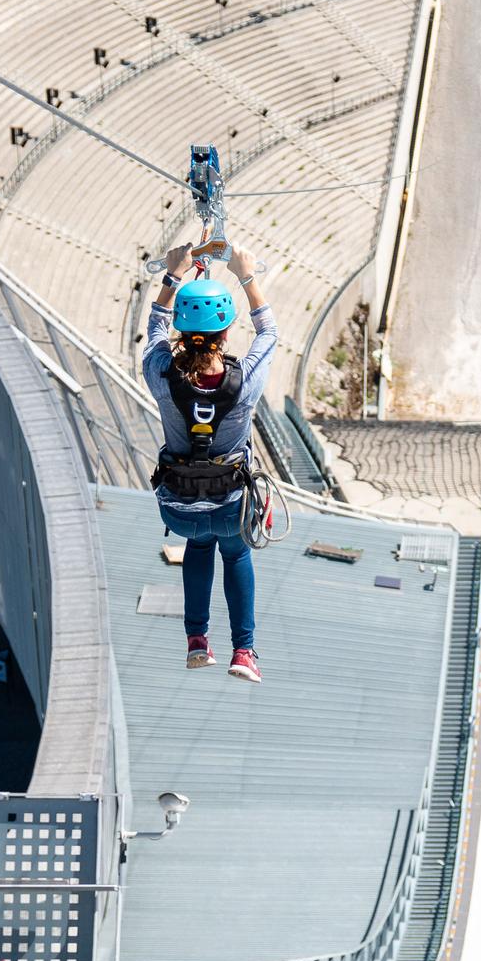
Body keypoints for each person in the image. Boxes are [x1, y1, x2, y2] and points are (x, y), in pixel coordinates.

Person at [142, 244, 276, 683]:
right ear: (226, 331)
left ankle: (197, 640)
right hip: (231, 503)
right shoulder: (246, 380)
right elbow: (268, 334)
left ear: (183, 329)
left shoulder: (163, 374)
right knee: (235, 555)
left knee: (200, 546)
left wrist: (172, 278)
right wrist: (247, 275)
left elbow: (155, 328)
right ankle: (244, 652)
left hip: (179, 507)